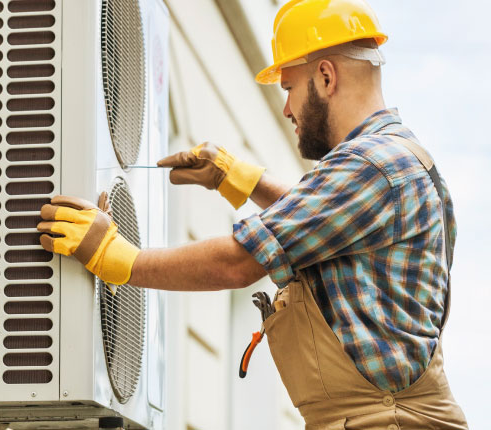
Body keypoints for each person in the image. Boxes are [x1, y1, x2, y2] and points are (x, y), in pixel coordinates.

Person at [37, 0, 468, 428]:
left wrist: (115, 257)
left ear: (325, 76)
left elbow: (238, 262)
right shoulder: (392, 157)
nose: (286, 109)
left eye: (288, 88)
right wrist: (237, 178)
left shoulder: (371, 164)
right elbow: (323, 217)